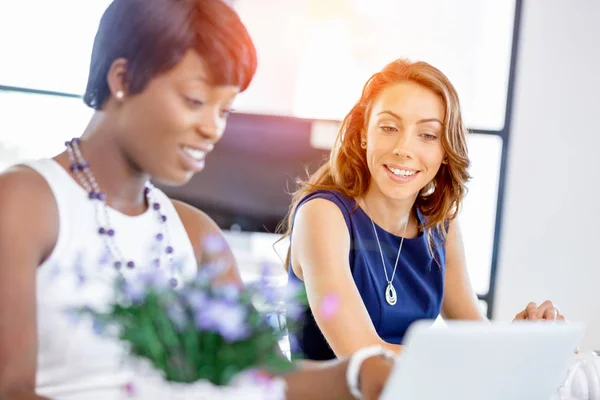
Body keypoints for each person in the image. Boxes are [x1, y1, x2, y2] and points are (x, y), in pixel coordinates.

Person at [0, 1, 394, 399]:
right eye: (194, 101)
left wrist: (361, 374)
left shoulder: (194, 233)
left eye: (224, 110)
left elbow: (261, 374)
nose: (213, 128)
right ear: (122, 78)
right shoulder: (26, 203)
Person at [280, 59, 566, 361]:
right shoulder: (323, 215)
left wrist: (523, 342)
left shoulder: (441, 227)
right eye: (389, 127)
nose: (403, 148)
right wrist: (476, 358)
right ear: (364, 134)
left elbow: (475, 336)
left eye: (428, 135)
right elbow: (364, 358)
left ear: (445, 150)